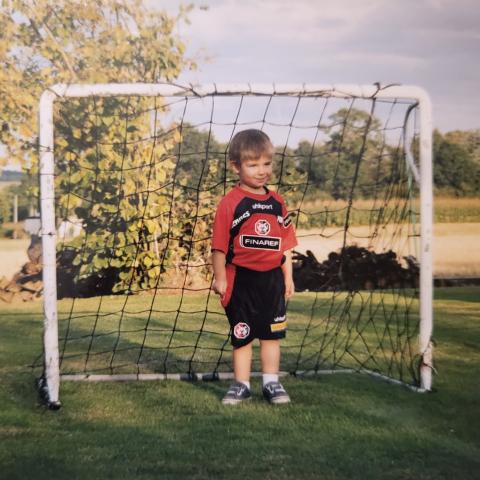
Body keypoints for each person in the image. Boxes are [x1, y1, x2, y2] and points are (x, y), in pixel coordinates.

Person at [211, 129, 297, 405]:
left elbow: (286, 244)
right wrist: (220, 277)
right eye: (253, 164)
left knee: (271, 334)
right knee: (243, 335)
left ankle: (271, 383)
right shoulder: (231, 203)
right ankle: (241, 384)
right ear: (236, 166)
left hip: (272, 280)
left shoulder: (277, 203)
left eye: (266, 163)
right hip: (241, 280)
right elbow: (219, 246)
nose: (261, 171)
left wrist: (289, 276)